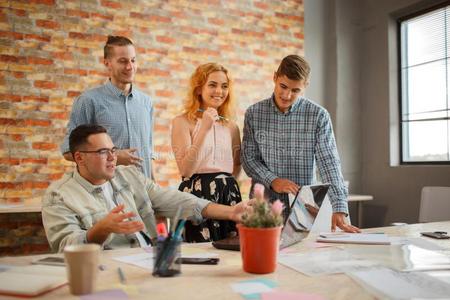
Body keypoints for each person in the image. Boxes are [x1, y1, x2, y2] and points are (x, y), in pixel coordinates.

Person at [42, 125, 249, 253]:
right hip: (108, 271)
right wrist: (101, 229)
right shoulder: (58, 195)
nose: (113, 157)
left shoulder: (129, 175)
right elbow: (65, 247)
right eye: (103, 151)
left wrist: (230, 212)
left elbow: (175, 200)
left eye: (113, 150)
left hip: (150, 259)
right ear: (79, 157)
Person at [241, 55, 360, 233]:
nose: (287, 95)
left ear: (305, 86)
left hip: (303, 209)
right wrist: (273, 180)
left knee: (304, 258)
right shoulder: (253, 114)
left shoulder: (318, 116)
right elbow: (249, 159)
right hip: (262, 209)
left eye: (295, 90)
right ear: (275, 77)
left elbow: (329, 162)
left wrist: (339, 206)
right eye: (283, 86)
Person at [61, 35, 154, 178]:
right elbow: (69, 151)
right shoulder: (88, 101)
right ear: (107, 63)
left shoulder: (146, 102)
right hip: (107, 193)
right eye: (122, 61)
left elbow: (148, 151)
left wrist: (153, 182)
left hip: (144, 191)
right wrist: (114, 156)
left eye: (133, 60)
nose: (130, 66)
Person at [171, 63, 242, 242]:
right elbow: (186, 170)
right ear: (198, 89)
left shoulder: (232, 126)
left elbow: (236, 166)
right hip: (196, 196)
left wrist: (225, 186)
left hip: (229, 195)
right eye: (212, 84)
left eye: (224, 86)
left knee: (231, 256)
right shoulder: (182, 122)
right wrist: (204, 128)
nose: (219, 91)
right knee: (199, 255)